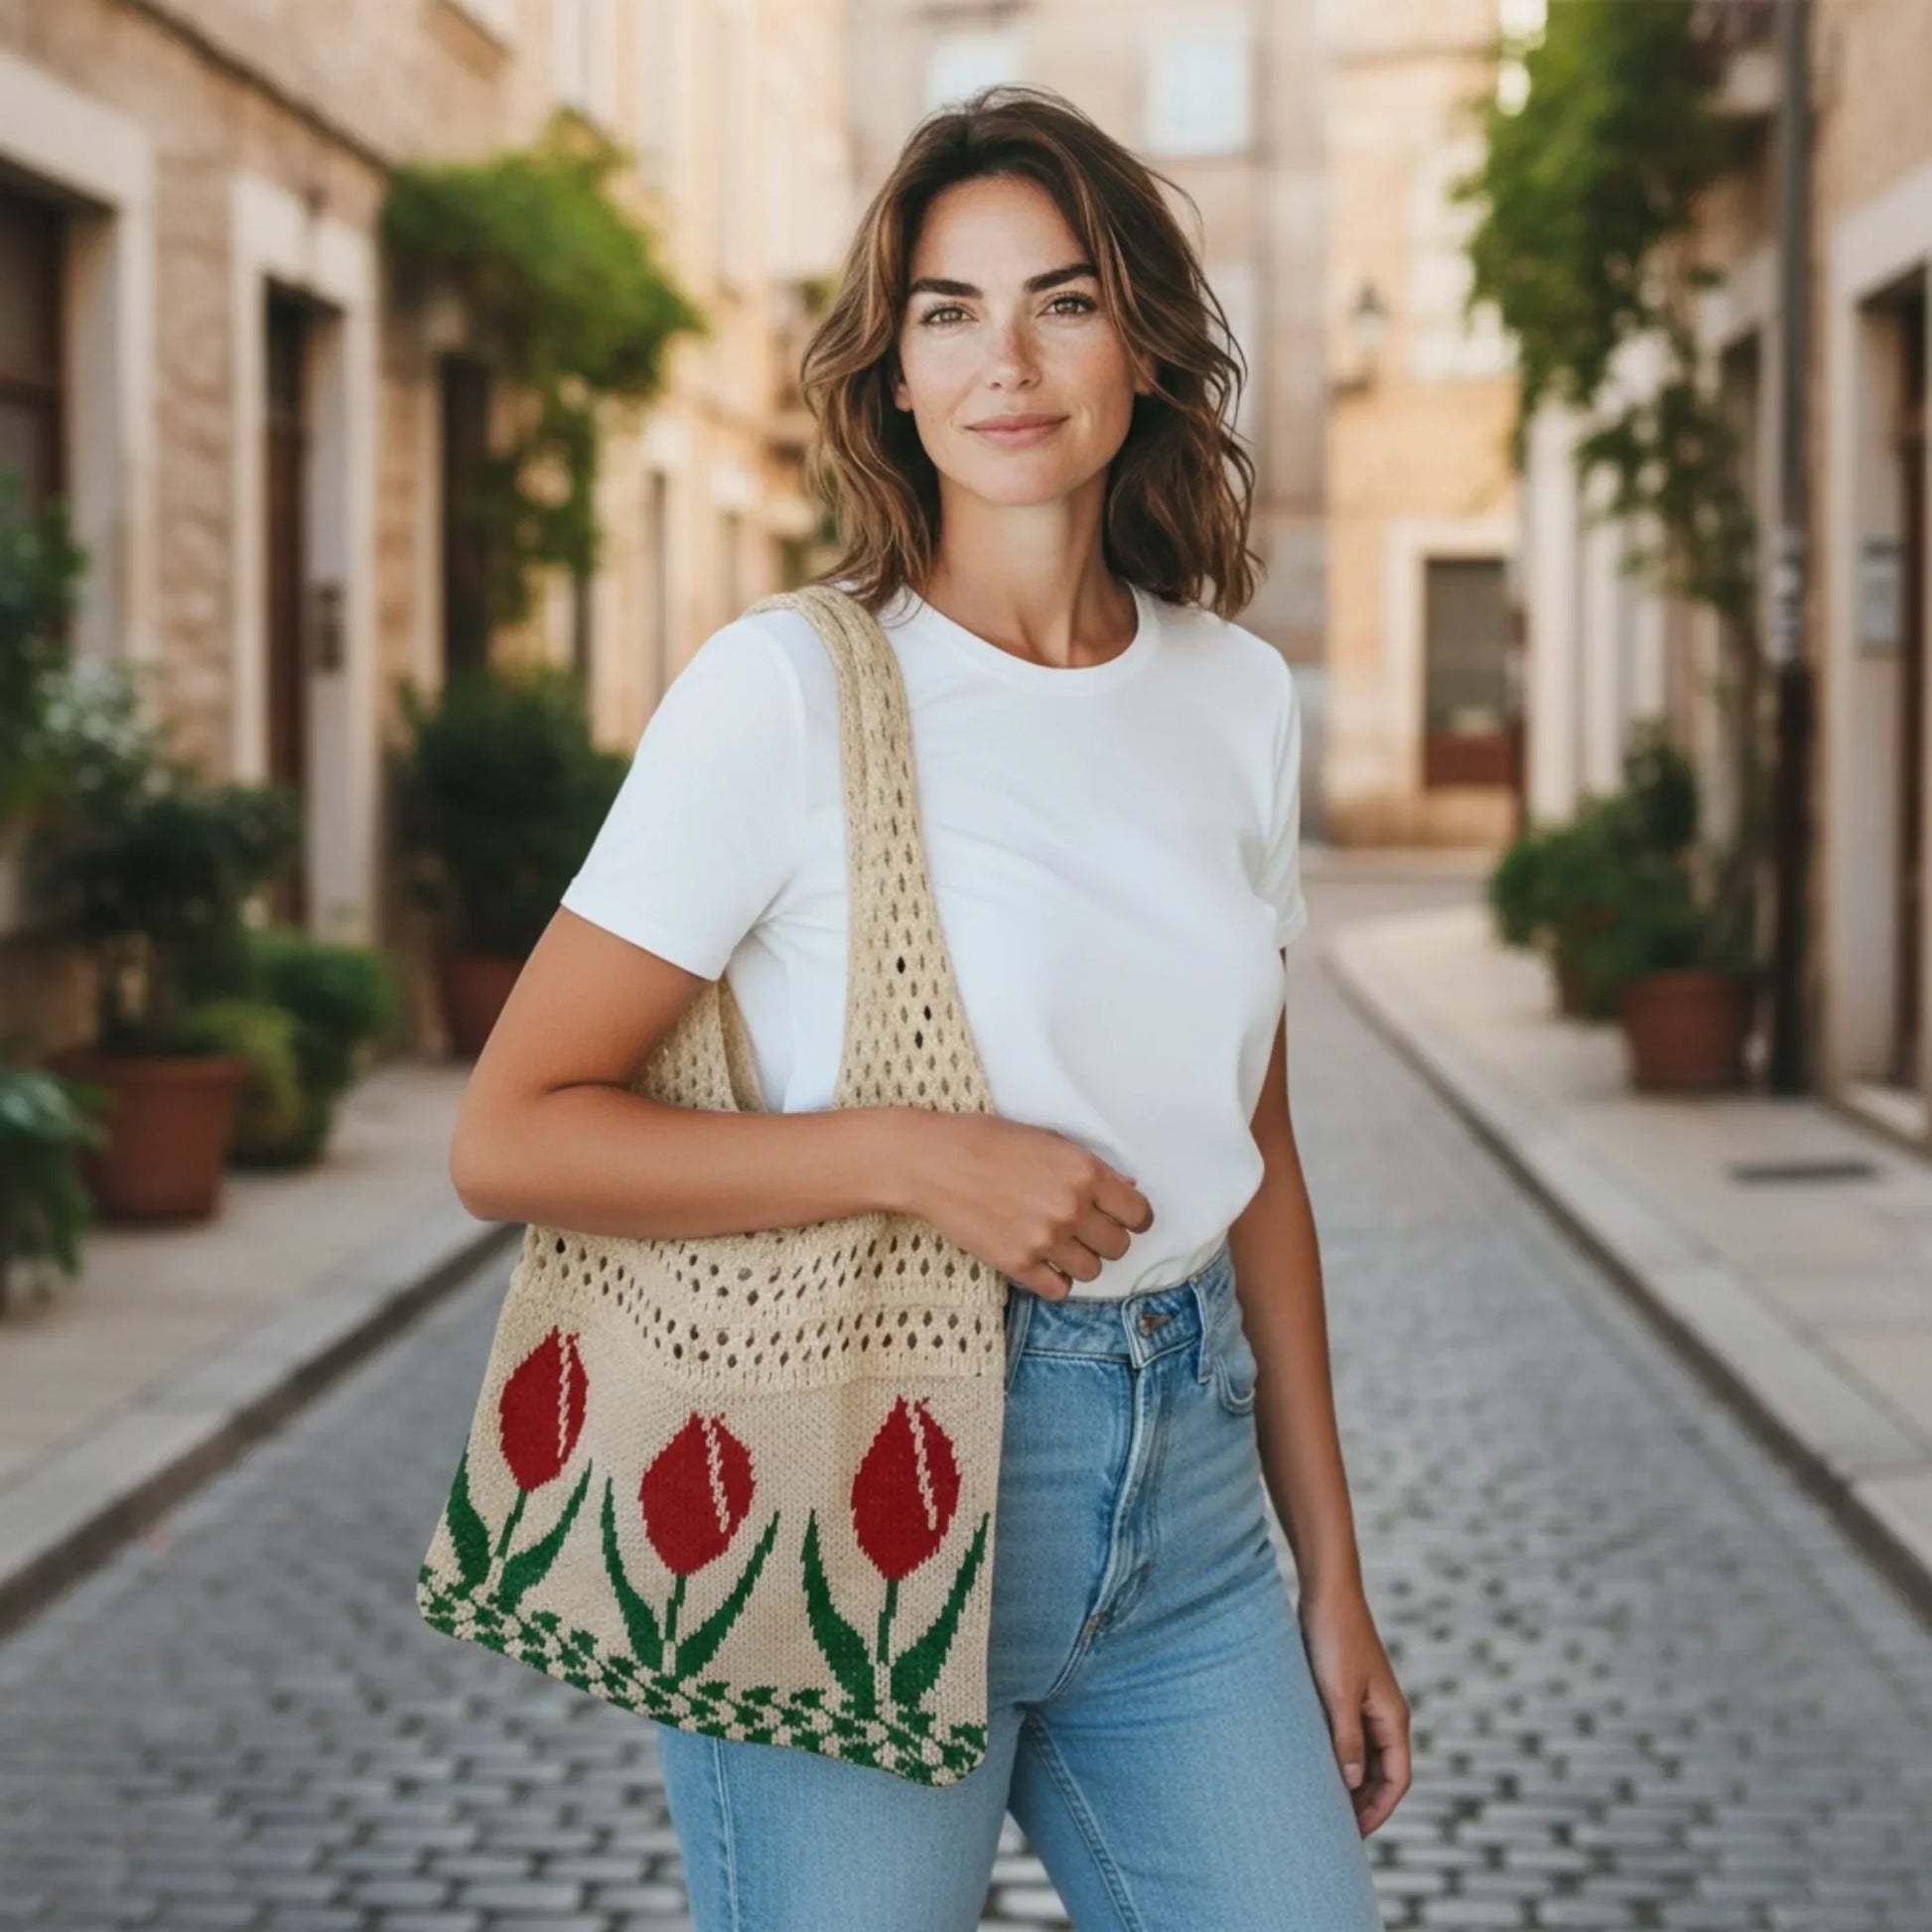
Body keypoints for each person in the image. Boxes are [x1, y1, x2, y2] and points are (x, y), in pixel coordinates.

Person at [449, 81, 1407, 1932]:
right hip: (849, 1464)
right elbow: (512, 1131)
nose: (1007, 359)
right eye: (948, 312)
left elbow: (1261, 1149)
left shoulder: (1232, 696)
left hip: (1185, 1505)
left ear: (1141, 336)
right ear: (890, 370)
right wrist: (914, 1156)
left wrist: (1332, 1574)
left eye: (1061, 297)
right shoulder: (784, 694)